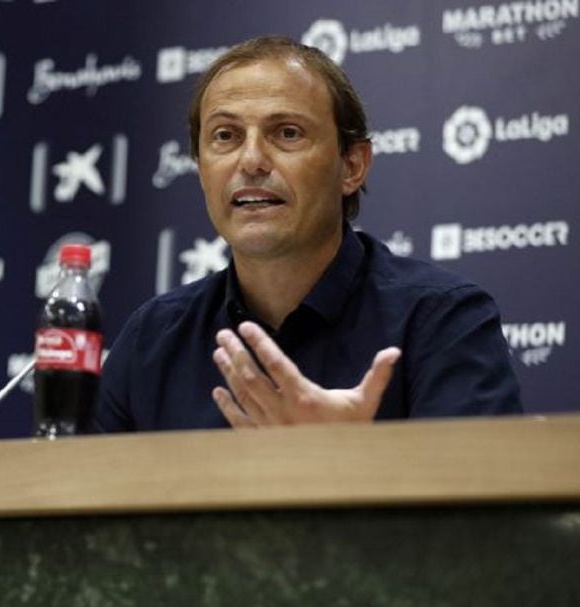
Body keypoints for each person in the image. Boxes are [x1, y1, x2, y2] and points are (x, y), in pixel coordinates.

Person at [94, 36, 522, 431]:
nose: (252, 160)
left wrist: (345, 460)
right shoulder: (150, 340)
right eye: (225, 136)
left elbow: (482, 507)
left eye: (287, 133)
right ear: (201, 167)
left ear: (352, 165)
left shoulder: (443, 321)